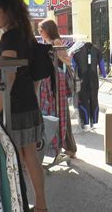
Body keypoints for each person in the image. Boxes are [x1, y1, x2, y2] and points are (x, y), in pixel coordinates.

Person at [0, 0, 47, 211]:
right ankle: (40, 204)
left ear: (8, 12)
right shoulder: (23, 33)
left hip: (15, 105)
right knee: (28, 155)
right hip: (25, 101)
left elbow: (9, 76)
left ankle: (31, 203)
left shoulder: (12, 37)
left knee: (19, 157)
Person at [38, 19, 77, 158]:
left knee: (62, 113)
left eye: (41, 30)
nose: (40, 33)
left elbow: (66, 61)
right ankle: (64, 146)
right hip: (51, 80)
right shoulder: (47, 43)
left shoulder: (56, 43)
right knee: (56, 113)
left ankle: (69, 147)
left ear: (48, 30)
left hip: (57, 80)